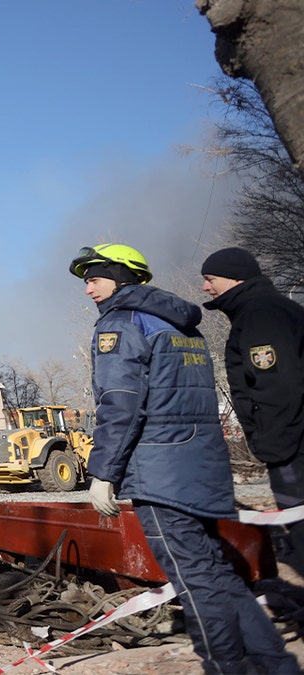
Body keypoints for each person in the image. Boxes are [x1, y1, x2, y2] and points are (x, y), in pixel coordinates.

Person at [70, 243, 299, 675]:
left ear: (120, 277)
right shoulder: (181, 324)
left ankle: (227, 667)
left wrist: (102, 473)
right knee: (217, 573)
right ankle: (276, 665)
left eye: (94, 279)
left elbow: (120, 403)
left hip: (159, 473)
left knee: (195, 581)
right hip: (201, 466)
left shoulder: (121, 324)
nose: (88, 290)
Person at [201, 246, 304, 578]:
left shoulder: (261, 316)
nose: (205, 287)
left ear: (234, 278)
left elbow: (276, 387)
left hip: (292, 449)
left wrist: (274, 447)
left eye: (210, 279)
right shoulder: (264, 309)